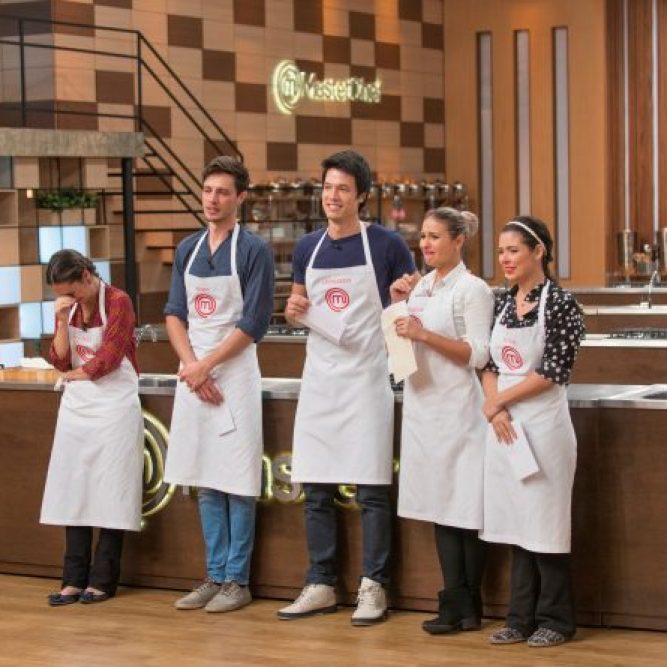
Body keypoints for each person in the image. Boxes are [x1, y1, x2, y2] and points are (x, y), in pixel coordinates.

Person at [277, 150, 415, 626]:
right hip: (320, 379)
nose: (332, 196)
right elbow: (297, 304)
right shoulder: (307, 247)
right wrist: (293, 310)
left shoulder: (387, 244)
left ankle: (374, 585)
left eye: (342, 189)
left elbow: (408, 308)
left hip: (367, 378)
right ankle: (321, 582)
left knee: (371, 490)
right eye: (327, 187)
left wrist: (404, 300)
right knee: (315, 488)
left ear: (361, 196)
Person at [163, 156, 274, 613]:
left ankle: (237, 580)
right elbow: (174, 314)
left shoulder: (254, 250)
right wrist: (192, 367)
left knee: (238, 479)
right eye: (208, 190)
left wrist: (207, 365)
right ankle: (213, 574)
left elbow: (254, 322)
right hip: (195, 374)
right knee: (206, 479)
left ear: (240, 198)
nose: (212, 199)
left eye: (223, 192)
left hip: (235, 374)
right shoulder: (188, 249)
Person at [480, 216, 584, 648]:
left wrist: (499, 401)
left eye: (513, 250)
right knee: (516, 522)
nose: (505, 259)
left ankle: (556, 620)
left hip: (543, 428)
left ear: (538, 251)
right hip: (505, 429)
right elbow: (488, 364)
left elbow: (552, 371)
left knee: (545, 522)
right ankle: (519, 618)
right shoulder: (501, 302)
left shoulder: (562, 304)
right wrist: (495, 408)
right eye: (501, 251)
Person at [391, 207, 493, 634]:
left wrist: (423, 334)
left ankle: (466, 603)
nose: (426, 244)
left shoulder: (473, 289)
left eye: (435, 236)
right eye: (423, 236)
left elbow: (479, 354)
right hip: (423, 410)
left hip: (459, 411)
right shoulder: (421, 288)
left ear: (459, 240)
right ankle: (458, 605)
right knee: (439, 507)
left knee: (464, 510)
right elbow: (402, 349)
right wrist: (397, 307)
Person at [40, 249, 144, 605]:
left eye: (72, 292)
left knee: (111, 491)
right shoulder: (68, 308)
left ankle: (102, 579)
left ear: (87, 276)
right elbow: (59, 360)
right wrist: (59, 321)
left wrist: (72, 375)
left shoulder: (118, 302)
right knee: (75, 490)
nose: (69, 299)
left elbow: (108, 359)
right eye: (61, 295)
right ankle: (72, 578)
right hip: (77, 410)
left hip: (114, 407)